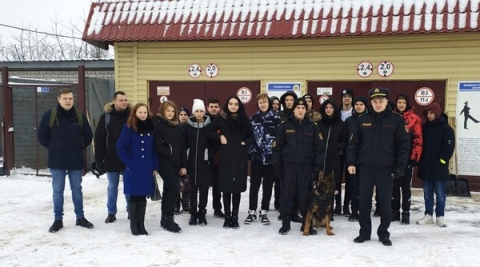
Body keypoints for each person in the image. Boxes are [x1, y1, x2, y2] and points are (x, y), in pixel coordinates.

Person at [347, 88, 409, 246]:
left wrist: (400, 165)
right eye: (375, 101)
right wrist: (351, 162)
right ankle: (364, 232)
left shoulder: (397, 120)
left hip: (386, 168)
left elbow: (403, 145)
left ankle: (384, 233)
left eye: (381, 101)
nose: (378, 104)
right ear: (371, 103)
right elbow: (354, 144)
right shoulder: (363, 120)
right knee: (364, 203)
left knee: (385, 202)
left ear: (387, 101)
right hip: (366, 168)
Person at [38, 88, 94, 233]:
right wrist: (54, 147)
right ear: (59, 99)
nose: (68, 101)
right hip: (56, 160)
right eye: (65, 98)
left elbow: (88, 136)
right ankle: (58, 220)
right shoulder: (49, 116)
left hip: (75, 159)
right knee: (58, 190)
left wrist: (79, 147)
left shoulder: (79, 117)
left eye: (70, 98)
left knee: (77, 190)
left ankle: (80, 217)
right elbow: (42, 136)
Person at [273, 98, 324, 235]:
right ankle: (285, 224)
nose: (300, 110)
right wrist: (277, 167)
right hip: (288, 167)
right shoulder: (284, 126)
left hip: (306, 168)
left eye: (303, 108)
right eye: (298, 108)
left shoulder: (312, 127)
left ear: (305, 110)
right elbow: (277, 148)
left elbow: (319, 149)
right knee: (286, 196)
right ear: (294, 110)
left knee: (305, 197)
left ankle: (306, 225)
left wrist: (317, 168)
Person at [206, 96, 254, 229]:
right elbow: (208, 131)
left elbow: (252, 137)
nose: (233, 106)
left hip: (240, 159)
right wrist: (220, 136)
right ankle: (227, 217)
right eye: (231, 104)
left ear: (239, 106)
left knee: (237, 189)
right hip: (225, 158)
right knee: (226, 189)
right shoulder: (222, 118)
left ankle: (235, 216)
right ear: (227, 105)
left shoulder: (244, 119)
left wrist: (245, 142)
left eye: (236, 104)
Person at [116, 103, 157, 235]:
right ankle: (134, 225)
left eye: (145, 112)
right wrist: (129, 163)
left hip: (146, 168)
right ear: (135, 113)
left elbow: (153, 149)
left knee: (143, 197)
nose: (143, 115)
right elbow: (121, 147)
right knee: (134, 196)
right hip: (133, 168)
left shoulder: (151, 128)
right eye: (140, 112)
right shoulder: (129, 128)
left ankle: (141, 224)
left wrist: (154, 166)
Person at [94, 91, 131, 223]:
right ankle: (111, 212)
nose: (124, 102)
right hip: (111, 157)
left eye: (125, 100)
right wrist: (99, 158)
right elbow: (99, 138)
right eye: (121, 100)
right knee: (112, 186)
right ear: (114, 101)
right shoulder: (106, 117)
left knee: (129, 186)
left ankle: (130, 210)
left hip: (128, 157)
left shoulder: (132, 116)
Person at [244, 93, 281, 225]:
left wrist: (276, 154)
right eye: (260, 102)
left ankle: (264, 211)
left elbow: (280, 138)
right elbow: (249, 137)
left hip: (271, 159)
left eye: (265, 101)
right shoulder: (253, 118)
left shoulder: (277, 117)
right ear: (257, 104)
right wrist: (253, 152)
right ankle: (252, 211)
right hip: (257, 158)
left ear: (268, 103)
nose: (263, 104)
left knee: (268, 186)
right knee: (254, 185)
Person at [417, 102, 455, 227]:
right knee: (427, 193)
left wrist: (442, 162)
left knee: (440, 194)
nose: (429, 115)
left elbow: (448, 148)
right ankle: (428, 215)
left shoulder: (446, 129)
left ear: (437, 113)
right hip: (426, 167)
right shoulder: (425, 128)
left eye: (432, 113)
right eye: (427, 113)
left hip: (439, 168)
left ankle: (440, 216)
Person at [154, 100, 187, 233]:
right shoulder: (158, 124)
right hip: (164, 162)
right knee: (173, 189)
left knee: (168, 190)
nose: (170, 113)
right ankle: (169, 219)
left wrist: (184, 164)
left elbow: (182, 147)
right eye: (168, 110)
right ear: (162, 111)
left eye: (173, 111)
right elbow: (157, 145)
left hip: (176, 163)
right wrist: (170, 151)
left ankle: (165, 219)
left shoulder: (176, 126)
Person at [391, 94, 423, 224]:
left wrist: (414, 158)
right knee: (394, 186)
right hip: (393, 159)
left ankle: (405, 212)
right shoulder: (391, 118)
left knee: (405, 187)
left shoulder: (414, 119)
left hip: (408, 159)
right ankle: (394, 211)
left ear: (407, 104)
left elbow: (418, 139)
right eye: (399, 102)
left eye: (403, 102)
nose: (401, 105)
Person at [184, 99, 214, 226]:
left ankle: (202, 212)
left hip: (204, 163)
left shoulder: (209, 126)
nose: (199, 113)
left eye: (201, 111)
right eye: (197, 111)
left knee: (203, 189)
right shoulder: (187, 127)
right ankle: (193, 213)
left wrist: (209, 155)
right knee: (192, 189)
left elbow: (214, 143)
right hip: (191, 163)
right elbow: (183, 144)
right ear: (193, 112)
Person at [317, 99, 347, 220]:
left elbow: (344, 142)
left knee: (333, 183)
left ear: (335, 109)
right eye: (326, 108)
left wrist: (335, 147)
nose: (329, 110)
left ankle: (333, 208)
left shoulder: (341, 124)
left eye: (331, 107)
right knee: (320, 183)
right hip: (320, 157)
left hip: (334, 158)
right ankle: (320, 208)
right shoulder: (319, 124)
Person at [344, 96, 369, 222]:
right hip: (352, 158)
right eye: (357, 104)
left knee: (364, 187)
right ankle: (354, 211)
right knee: (352, 186)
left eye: (361, 104)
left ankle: (363, 210)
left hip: (365, 159)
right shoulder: (349, 121)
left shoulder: (369, 120)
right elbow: (345, 140)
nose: (359, 106)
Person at [206, 97, 225, 218]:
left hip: (218, 158)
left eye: (216, 107)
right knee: (202, 185)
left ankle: (217, 208)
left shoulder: (222, 120)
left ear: (219, 108)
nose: (213, 109)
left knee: (218, 186)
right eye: (211, 106)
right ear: (207, 108)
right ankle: (197, 208)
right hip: (204, 157)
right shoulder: (204, 119)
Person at [339, 88, 354, 216]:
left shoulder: (356, 114)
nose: (347, 98)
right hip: (338, 152)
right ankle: (337, 205)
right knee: (337, 179)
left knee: (350, 180)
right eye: (344, 96)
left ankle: (347, 205)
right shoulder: (336, 112)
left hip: (351, 152)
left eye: (349, 96)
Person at [175, 107, 192, 214]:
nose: (183, 116)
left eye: (185, 114)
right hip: (177, 158)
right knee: (176, 182)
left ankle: (186, 203)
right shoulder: (175, 127)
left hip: (188, 157)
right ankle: (176, 204)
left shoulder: (190, 127)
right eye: (181, 114)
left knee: (186, 182)